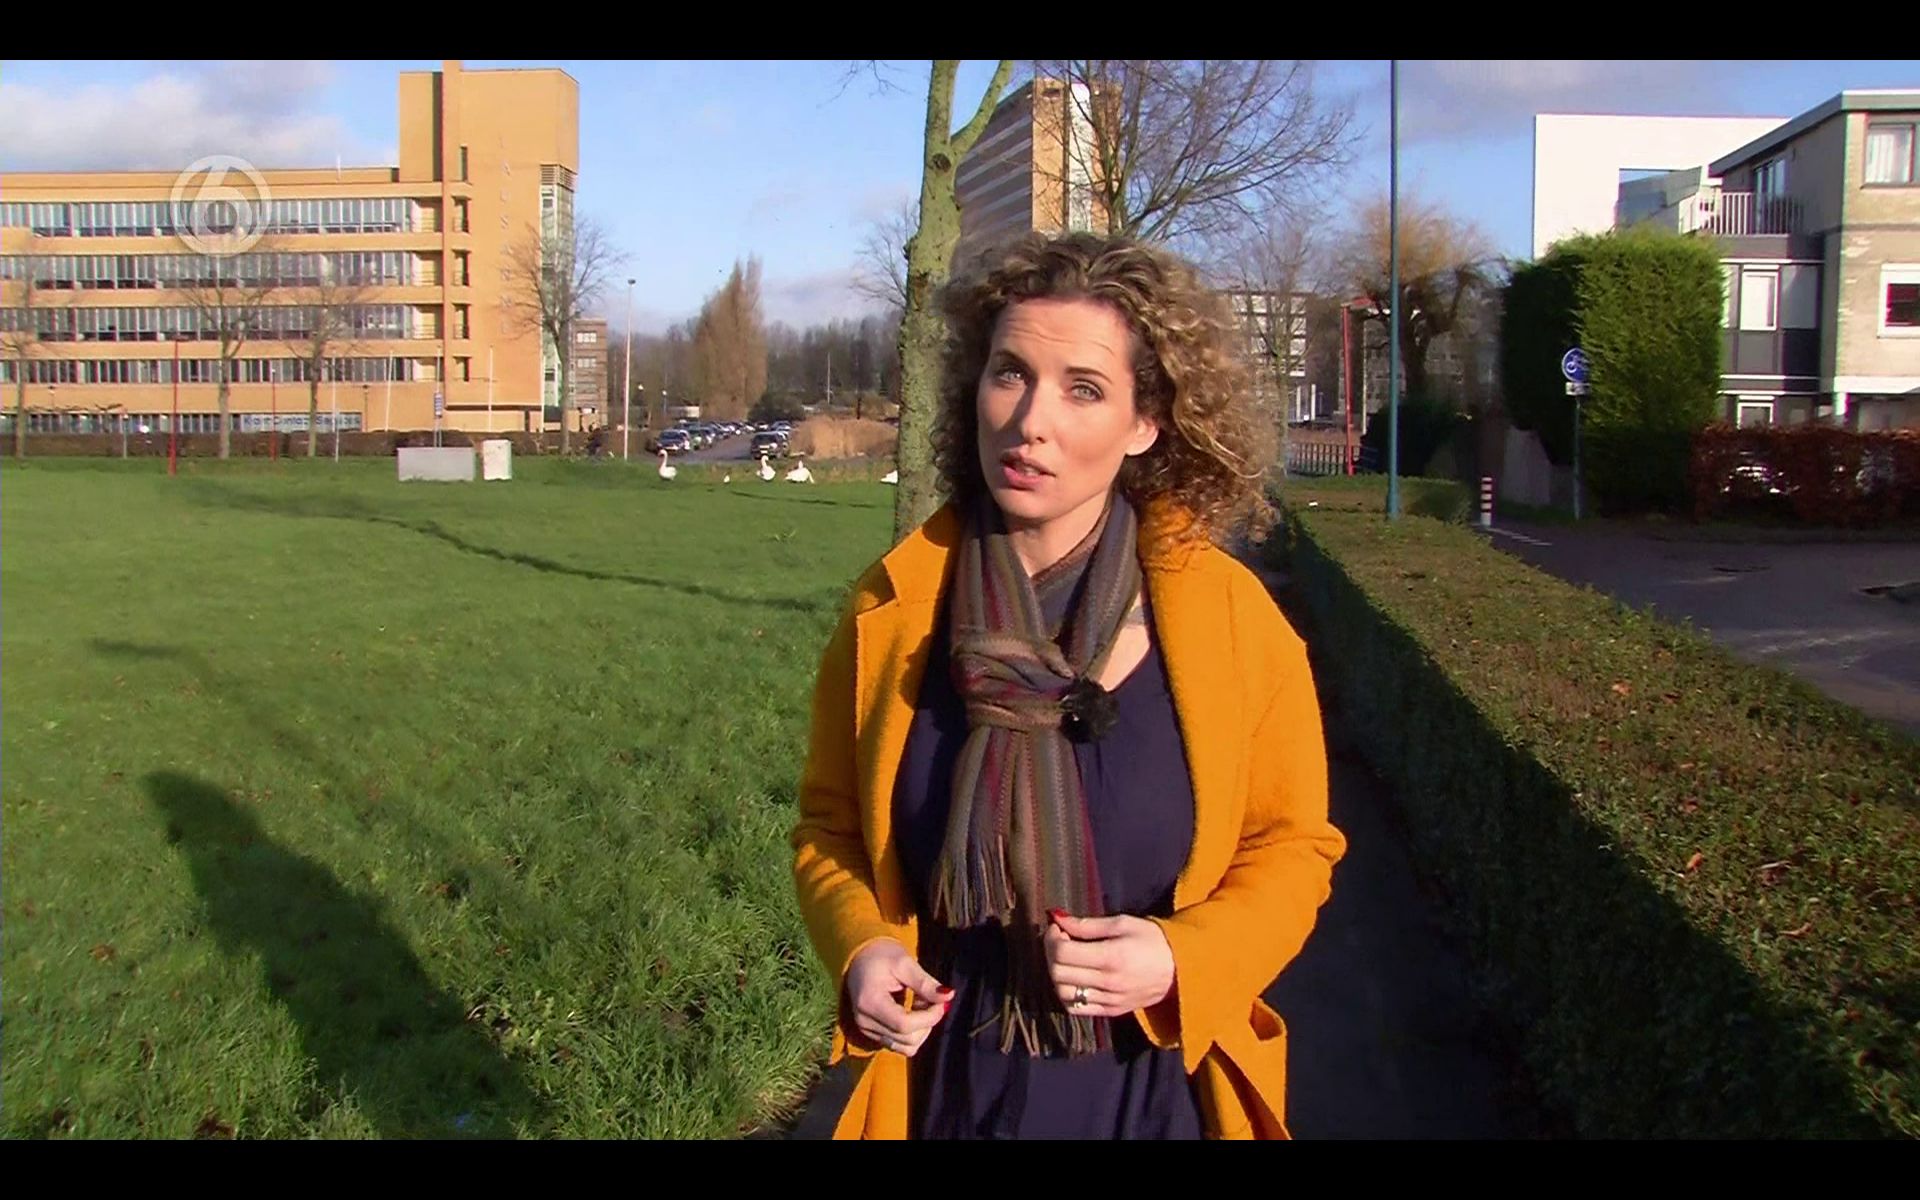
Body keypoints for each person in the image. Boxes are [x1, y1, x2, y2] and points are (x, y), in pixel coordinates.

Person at [790, 232, 1345, 1140]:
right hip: (945, 1096)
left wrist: (1184, 957)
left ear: (1145, 422)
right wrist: (863, 946)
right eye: (1010, 374)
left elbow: (1292, 848)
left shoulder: (1231, 621)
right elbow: (831, 828)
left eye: (1083, 389)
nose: (1030, 421)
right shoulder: (893, 610)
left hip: (1153, 1091)